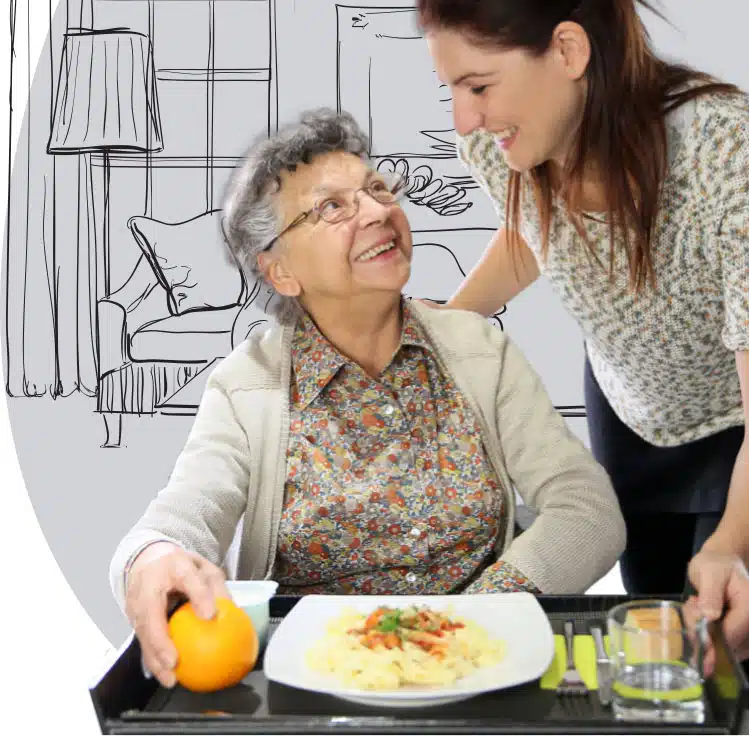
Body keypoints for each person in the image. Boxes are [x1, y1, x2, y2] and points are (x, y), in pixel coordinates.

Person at [415, 0, 749, 723]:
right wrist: (441, 330)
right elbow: (532, 237)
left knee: (727, 664)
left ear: (567, 50)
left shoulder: (722, 144)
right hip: (633, 401)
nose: (464, 118)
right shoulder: (497, 140)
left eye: (477, 86)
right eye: (451, 89)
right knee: (649, 660)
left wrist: (730, 550)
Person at [109, 108, 627, 689]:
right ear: (280, 270)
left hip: (480, 663)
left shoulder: (480, 350)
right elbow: (184, 514)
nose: (381, 211)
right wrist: (150, 558)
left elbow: (587, 508)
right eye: (332, 206)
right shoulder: (245, 385)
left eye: (378, 189)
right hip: (313, 679)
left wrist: (474, 614)